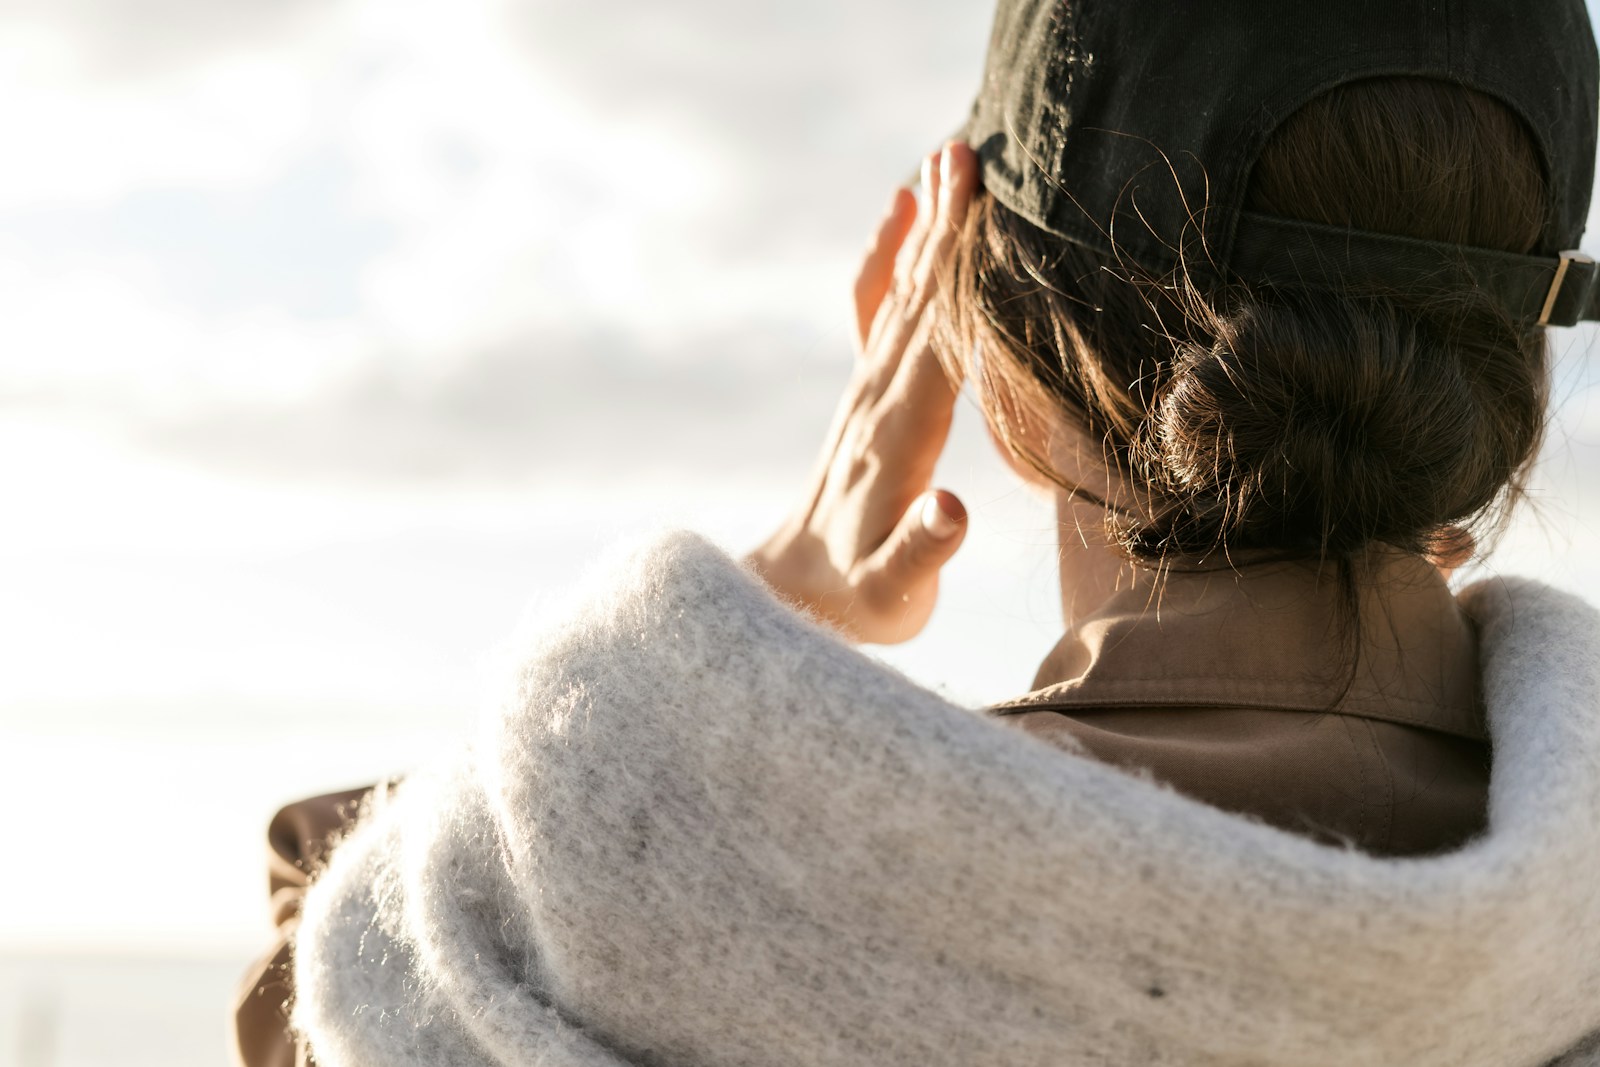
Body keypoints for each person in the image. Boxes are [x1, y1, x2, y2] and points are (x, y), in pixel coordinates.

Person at [235, 1, 1600, 1065]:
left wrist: (713, 664)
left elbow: (348, 977)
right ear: (1513, 369)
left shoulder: (687, 919)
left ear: (958, 316)